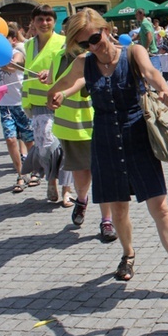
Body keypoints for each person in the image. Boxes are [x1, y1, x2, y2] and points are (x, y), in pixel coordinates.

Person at [47, 8, 168, 293]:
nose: (93, 46)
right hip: (106, 142)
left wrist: (165, 92)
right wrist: (56, 94)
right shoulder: (84, 62)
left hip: (137, 138)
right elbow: (64, 85)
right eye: (85, 43)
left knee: (160, 207)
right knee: (119, 209)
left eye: (95, 38)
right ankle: (128, 254)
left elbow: (152, 74)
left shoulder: (133, 52)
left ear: (106, 30)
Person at [47, 35, 117, 241]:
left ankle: (106, 220)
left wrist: (65, 92)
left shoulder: (93, 57)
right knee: (82, 175)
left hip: (97, 122)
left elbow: (82, 79)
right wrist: (47, 77)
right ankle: (81, 199)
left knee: (103, 174)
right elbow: (55, 80)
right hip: (71, 126)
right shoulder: (58, 55)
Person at [22, 4, 66, 202]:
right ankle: (51, 179)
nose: (44, 23)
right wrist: (26, 103)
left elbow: (71, 69)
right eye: (40, 19)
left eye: (48, 19)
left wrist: (52, 72)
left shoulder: (63, 42)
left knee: (65, 146)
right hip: (38, 103)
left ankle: (67, 189)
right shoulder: (29, 45)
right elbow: (25, 75)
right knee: (45, 147)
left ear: (54, 22)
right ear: (33, 22)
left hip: (61, 100)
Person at [0, 28, 35, 193]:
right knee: (10, 139)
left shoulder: (17, 52)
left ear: (13, 40)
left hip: (21, 103)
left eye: (4, 39)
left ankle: (35, 170)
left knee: (29, 140)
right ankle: (21, 174)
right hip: (5, 105)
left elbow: (13, 67)